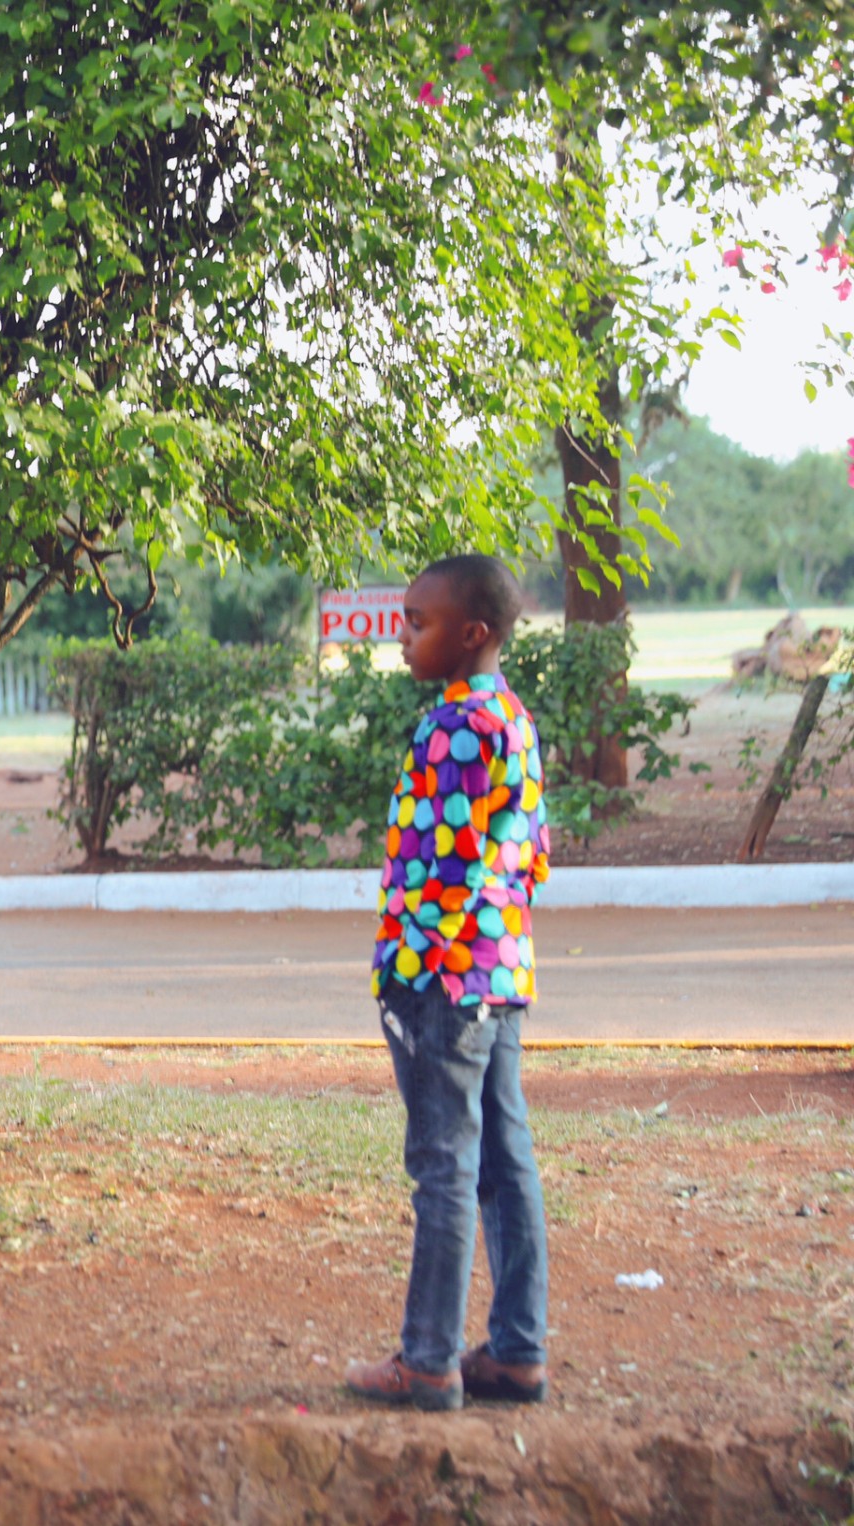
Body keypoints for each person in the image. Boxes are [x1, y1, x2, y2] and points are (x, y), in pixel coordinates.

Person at [342, 554, 551, 1412]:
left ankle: (427, 1361)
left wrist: (405, 973)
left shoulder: (455, 728)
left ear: (474, 634)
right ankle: (518, 1351)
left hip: (445, 984)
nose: (403, 640)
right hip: (500, 972)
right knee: (503, 1160)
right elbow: (530, 853)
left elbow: (445, 870)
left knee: (444, 1169)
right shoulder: (514, 720)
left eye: (418, 623)